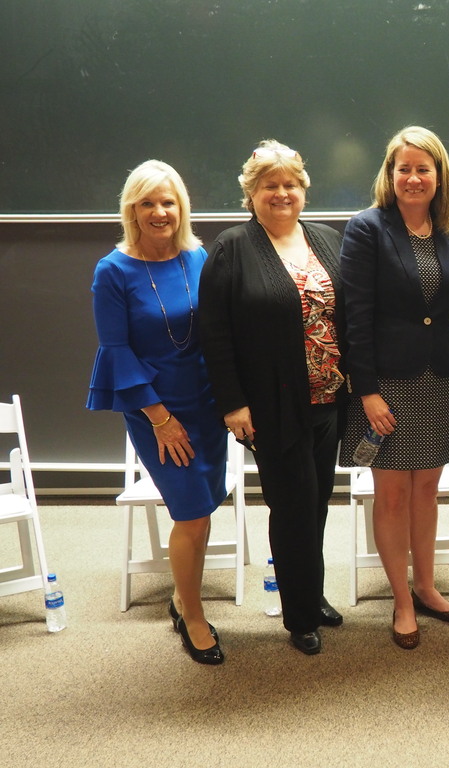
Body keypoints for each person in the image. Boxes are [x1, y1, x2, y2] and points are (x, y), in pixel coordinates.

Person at [199, 140, 347, 656]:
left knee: (319, 502)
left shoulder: (327, 240)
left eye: (290, 184)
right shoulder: (232, 248)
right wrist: (233, 403)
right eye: (270, 186)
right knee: (291, 507)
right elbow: (214, 333)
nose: (281, 193)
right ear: (251, 195)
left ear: (303, 190)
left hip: (329, 401)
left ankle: (312, 591)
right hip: (270, 408)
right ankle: (300, 615)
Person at [339, 126, 449, 650]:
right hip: (387, 383)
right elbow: (355, 316)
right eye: (405, 169)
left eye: (424, 169)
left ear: (439, 176)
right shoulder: (367, 229)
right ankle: (401, 600)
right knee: (392, 495)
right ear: (390, 174)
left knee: (427, 491)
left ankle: (426, 585)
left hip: (438, 378)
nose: (414, 178)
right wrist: (367, 391)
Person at [88, 160, 227, 665]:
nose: (159, 212)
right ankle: (192, 616)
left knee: (204, 509)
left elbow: (216, 331)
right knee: (190, 513)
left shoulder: (197, 256)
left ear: (181, 207)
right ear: (132, 209)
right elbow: (116, 352)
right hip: (158, 411)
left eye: (167, 201)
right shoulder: (113, 270)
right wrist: (161, 418)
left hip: (207, 403)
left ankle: (180, 596)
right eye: (147, 202)